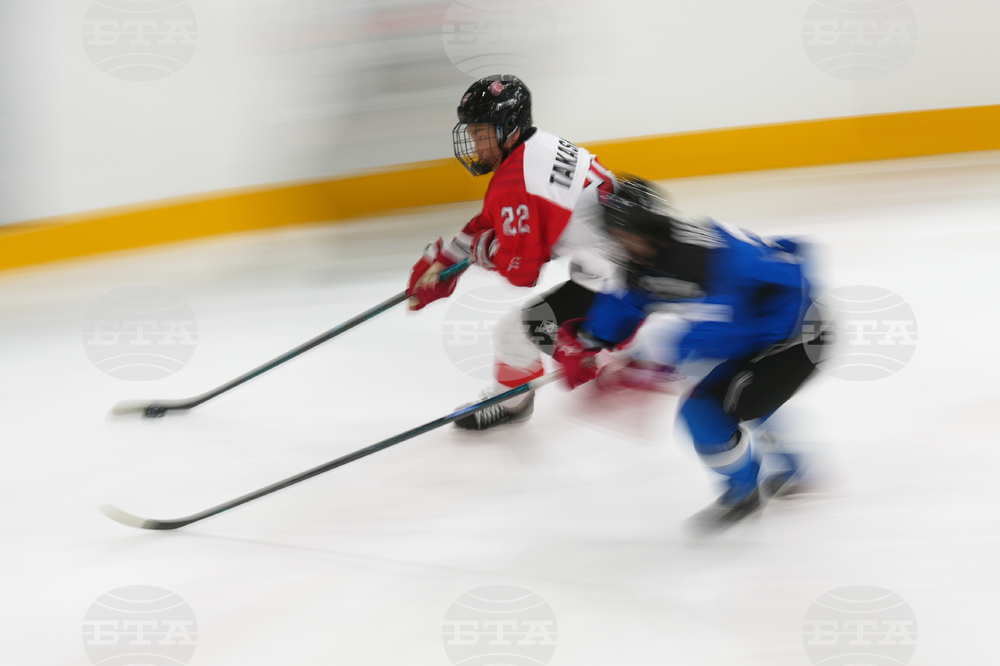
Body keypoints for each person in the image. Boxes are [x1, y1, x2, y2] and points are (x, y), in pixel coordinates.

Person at [552, 177, 825, 529]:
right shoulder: (649, 255)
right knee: (741, 398)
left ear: (644, 228)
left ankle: (744, 492)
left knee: (705, 410)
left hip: (797, 339)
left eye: (620, 234)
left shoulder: (701, 260)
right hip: (772, 332)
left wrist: (651, 363)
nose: (615, 244)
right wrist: (589, 341)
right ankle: (794, 468)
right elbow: (629, 301)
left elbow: (720, 330)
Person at [407, 74, 627, 430]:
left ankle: (513, 404)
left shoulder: (517, 181)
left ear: (508, 127)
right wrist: (448, 260)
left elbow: (521, 271)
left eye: (480, 133)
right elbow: (495, 221)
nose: (475, 145)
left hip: (617, 289)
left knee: (515, 332)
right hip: (622, 268)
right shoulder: (533, 150)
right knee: (527, 327)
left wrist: (480, 252)